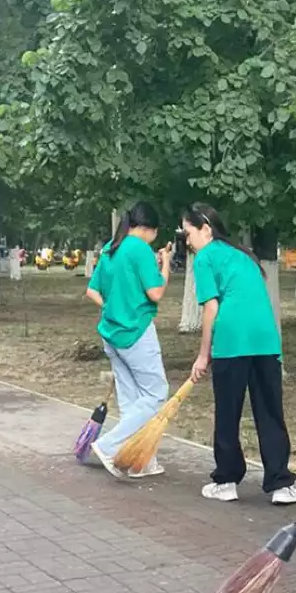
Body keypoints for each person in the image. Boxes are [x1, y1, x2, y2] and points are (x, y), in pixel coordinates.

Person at [182, 204, 296, 506]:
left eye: (188, 233)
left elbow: (211, 308)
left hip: (232, 341)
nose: (187, 241)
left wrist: (203, 355)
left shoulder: (205, 257)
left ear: (206, 229)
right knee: (270, 412)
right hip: (266, 341)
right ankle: (280, 484)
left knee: (228, 412)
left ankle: (226, 480)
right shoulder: (244, 255)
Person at [85, 202, 172, 478]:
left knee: (132, 401)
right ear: (148, 229)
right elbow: (156, 292)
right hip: (136, 333)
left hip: (110, 334)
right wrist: (166, 264)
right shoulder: (140, 249)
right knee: (156, 394)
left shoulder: (113, 245)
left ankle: (140, 460)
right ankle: (110, 446)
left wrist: (113, 308)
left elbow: (92, 291)